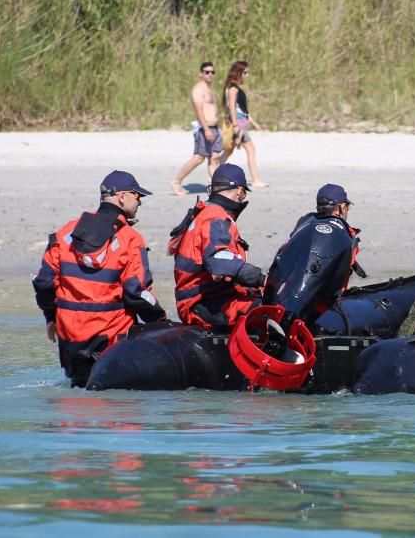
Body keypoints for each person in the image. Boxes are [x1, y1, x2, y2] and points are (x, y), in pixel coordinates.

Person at [32, 170, 167, 387]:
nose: (140, 202)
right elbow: (137, 293)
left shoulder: (66, 232)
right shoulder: (130, 239)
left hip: (70, 341)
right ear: (122, 197)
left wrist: (50, 316)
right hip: (111, 343)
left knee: (76, 405)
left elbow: (44, 282)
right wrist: (160, 322)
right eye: (138, 196)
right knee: (117, 410)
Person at [168, 163, 267, 330]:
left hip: (205, 297)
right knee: (270, 311)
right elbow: (221, 260)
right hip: (201, 304)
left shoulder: (204, 211)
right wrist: (262, 278)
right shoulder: (216, 218)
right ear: (239, 191)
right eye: (242, 194)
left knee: (261, 295)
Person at [264, 184, 364, 323]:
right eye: (347, 207)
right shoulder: (340, 233)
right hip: (315, 309)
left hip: (280, 299)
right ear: (342, 207)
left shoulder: (304, 225)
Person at [171, 61, 223, 196]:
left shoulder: (209, 89)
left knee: (215, 158)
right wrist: (206, 129)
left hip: (215, 128)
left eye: (212, 72)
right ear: (201, 74)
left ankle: (216, 187)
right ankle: (176, 181)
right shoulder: (198, 90)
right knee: (199, 158)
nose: (210, 74)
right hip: (205, 129)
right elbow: (199, 111)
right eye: (207, 72)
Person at [221, 61, 267, 188]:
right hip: (238, 123)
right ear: (238, 73)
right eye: (245, 73)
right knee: (250, 149)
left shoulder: (234, 87)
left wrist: (253, 122)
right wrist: (235, 125)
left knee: (228, 150)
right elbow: (231, 107)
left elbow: (241, 108)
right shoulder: (233, 88)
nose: (247, 75)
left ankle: (214, 172)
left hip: (242, 122)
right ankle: (256, 179)